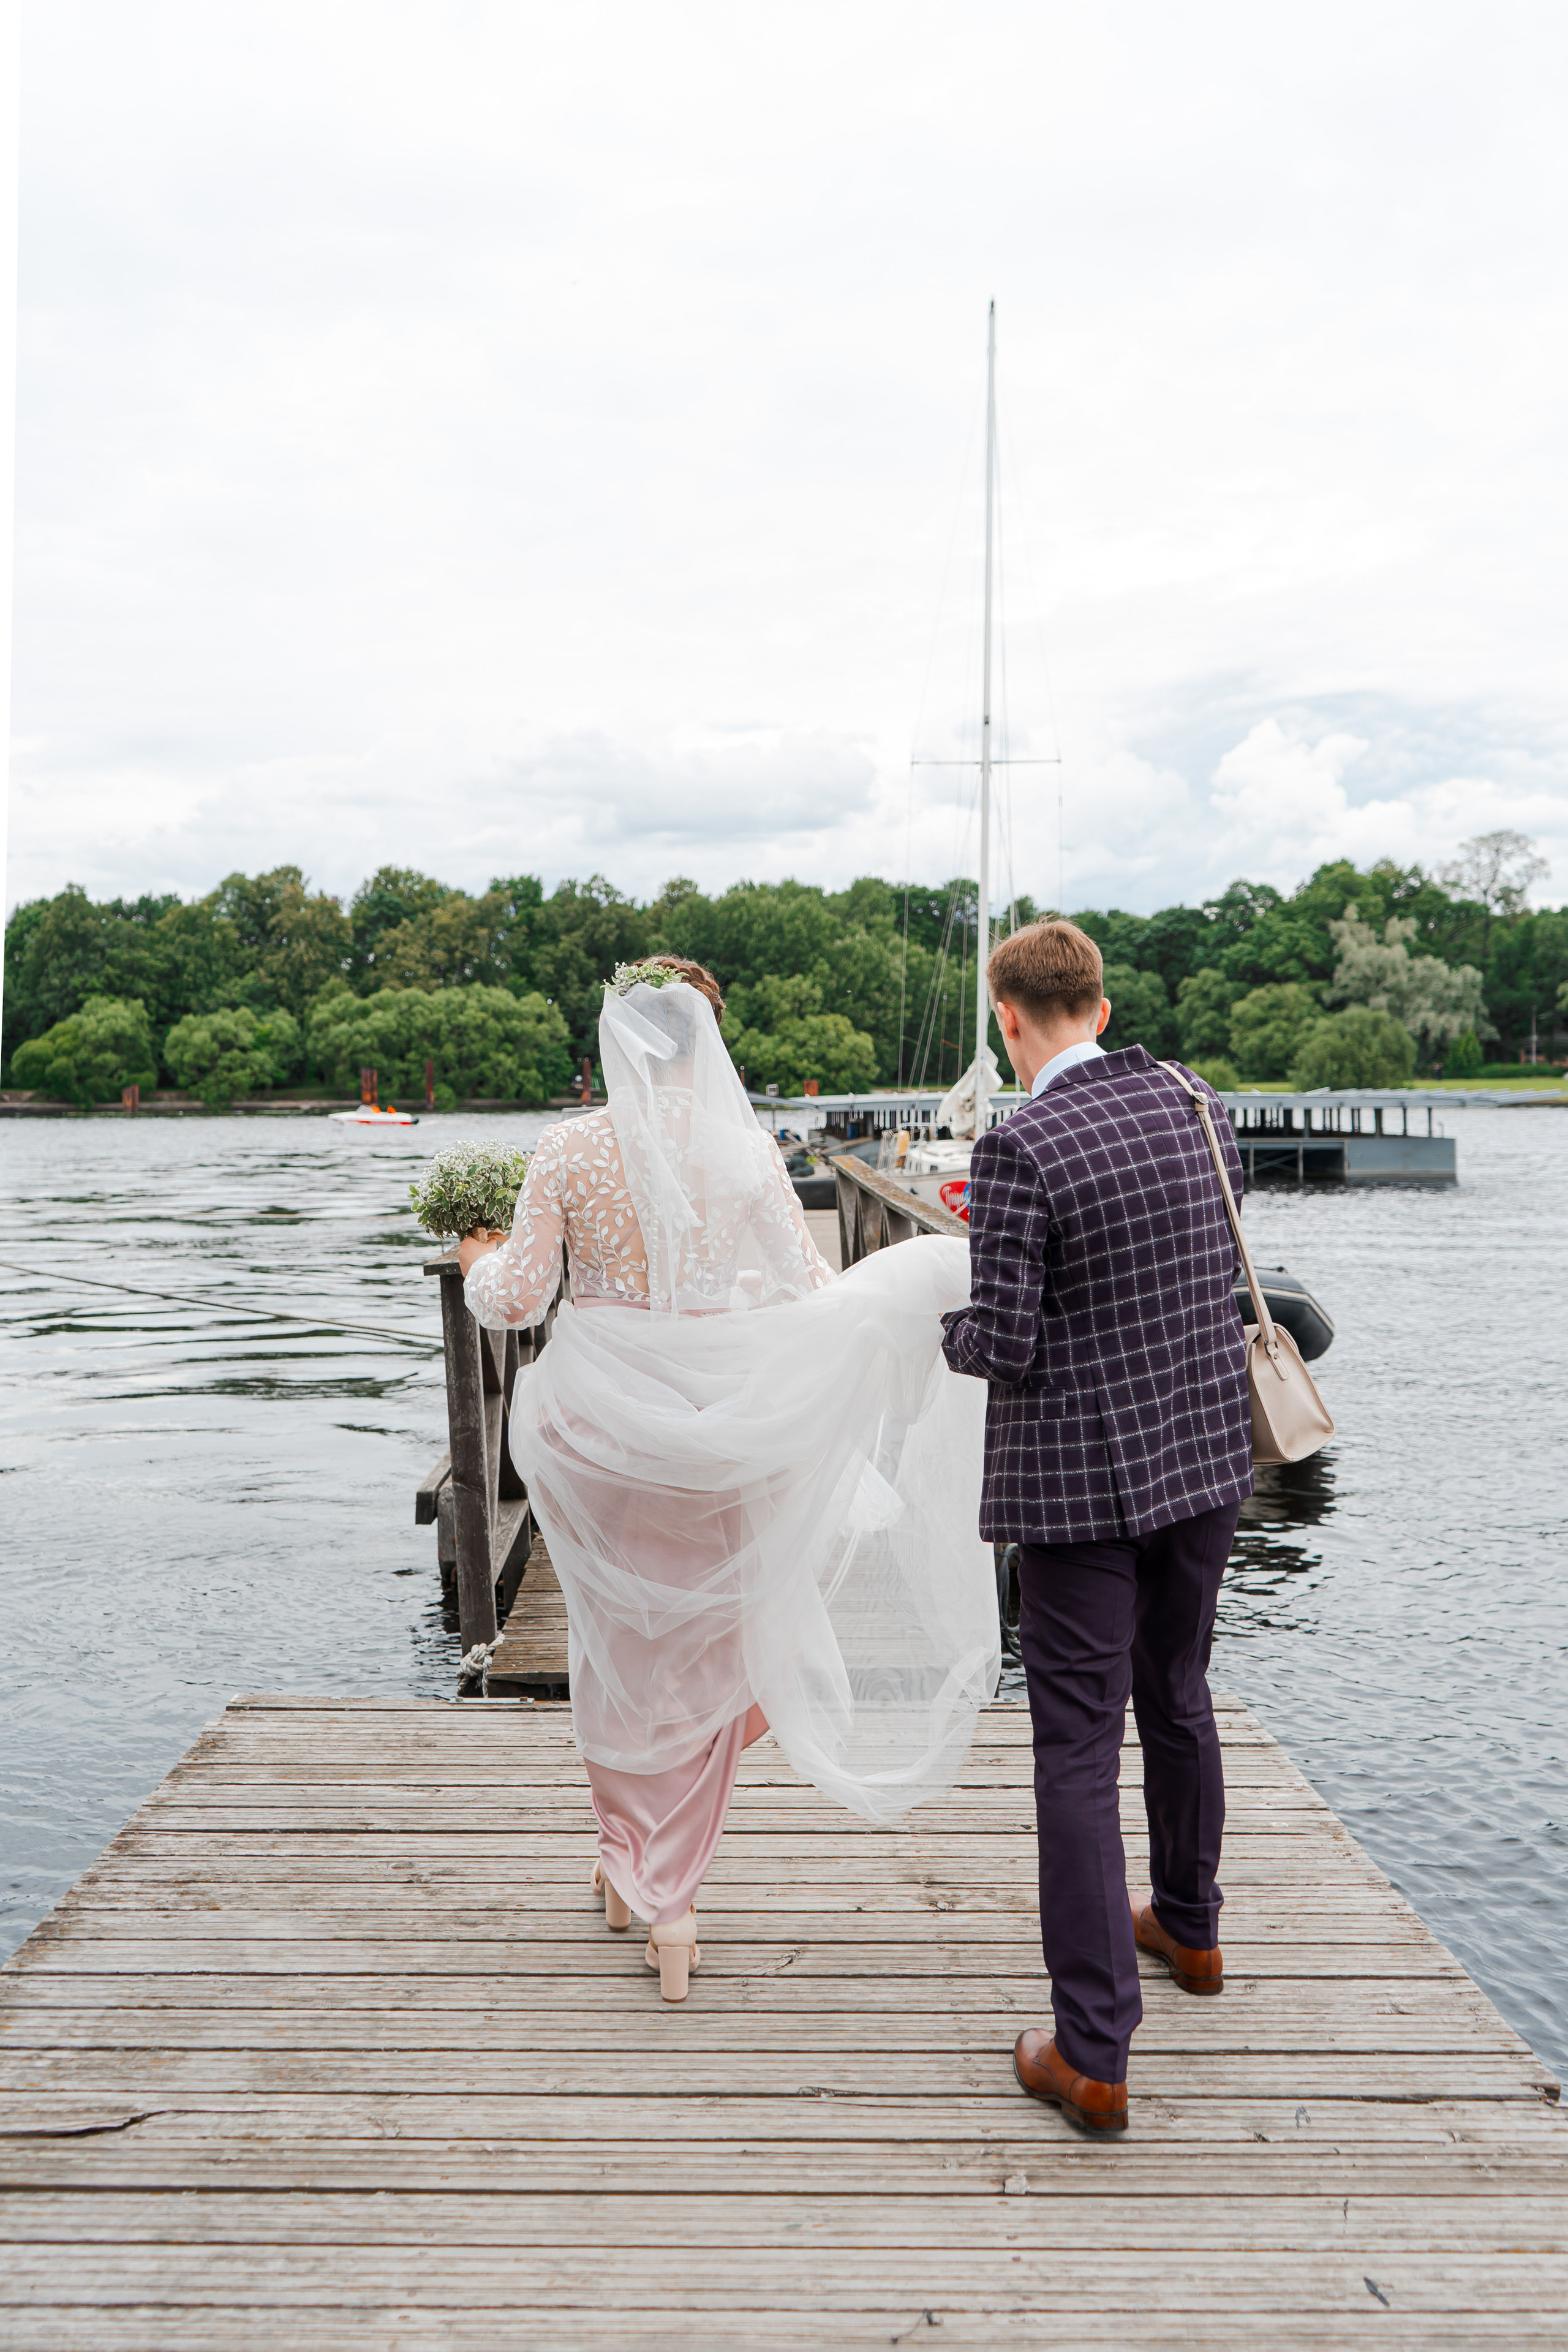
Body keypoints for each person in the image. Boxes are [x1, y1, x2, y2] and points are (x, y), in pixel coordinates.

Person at [462, 955, 998, 2001]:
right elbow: (807, 1294)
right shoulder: (747, 1153)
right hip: (715, 1433)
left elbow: (516, 1302)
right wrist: (735, 1293)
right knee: (709, 1654)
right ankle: (673, 1898)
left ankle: (630, 1864)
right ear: (707, 1040)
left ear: (620, 1035)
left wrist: (480, 1253)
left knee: (614, 1643)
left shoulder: (567, 1150)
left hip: (600, 1430)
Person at [940, 919, 1252, 2134]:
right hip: (1205, 1456)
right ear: (1103, 1006)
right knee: (1175, 1692)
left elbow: (1003, 1342)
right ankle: (1190, 1926)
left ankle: (1091, 2052)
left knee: (1073, 1754)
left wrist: (939, 1321)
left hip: (1080, 1491)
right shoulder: (1194, 1100)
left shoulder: (1018, 1143)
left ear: (1007, 1018)